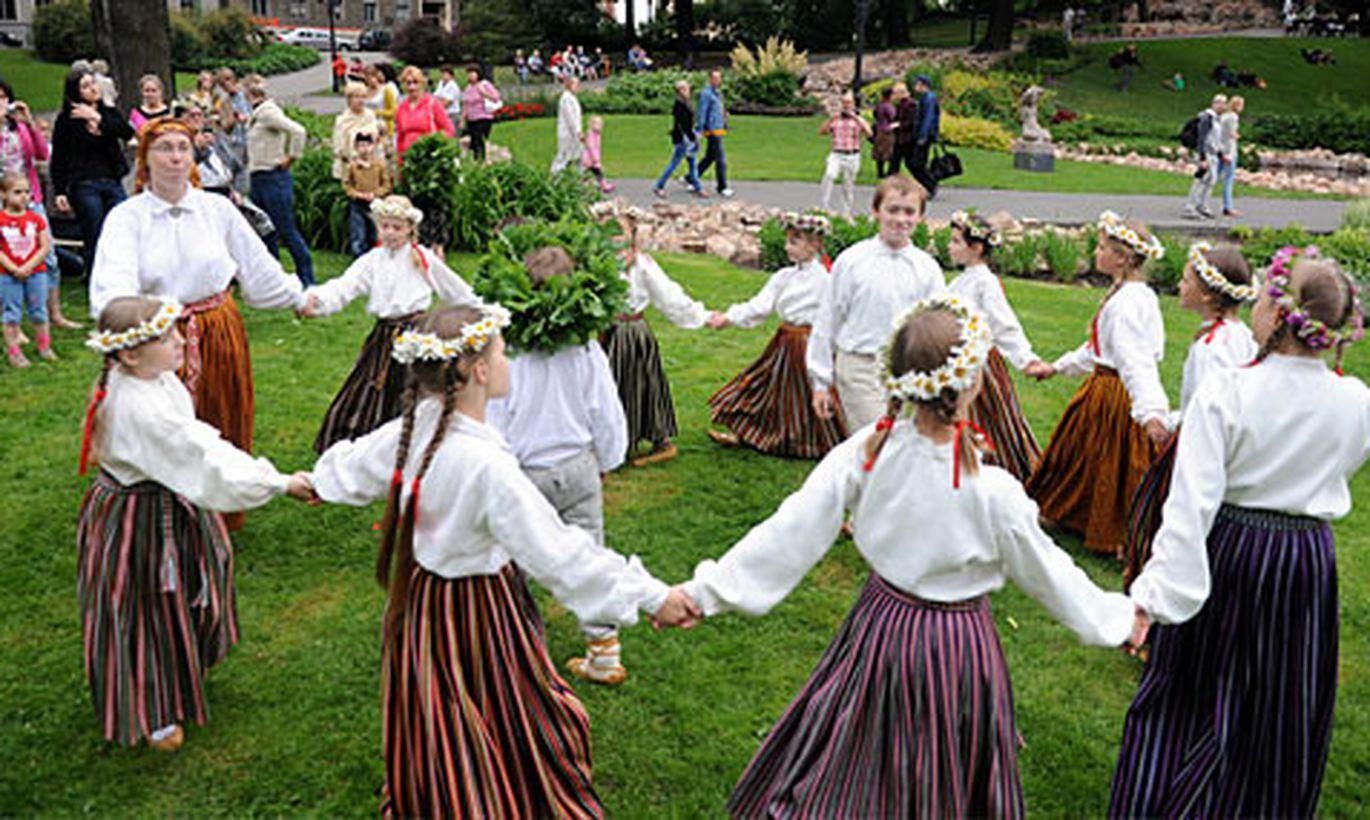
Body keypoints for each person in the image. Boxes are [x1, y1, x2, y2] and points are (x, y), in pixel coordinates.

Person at [669, 297, 1135, 818]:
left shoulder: (870, 448)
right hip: (958, 645)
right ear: (973, 381)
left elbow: (792, 528)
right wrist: (1118, 619)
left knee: (864, 757)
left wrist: (702, 593)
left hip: (880, 626)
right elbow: (1049, 574)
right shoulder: (993, 491)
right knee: (942, 771)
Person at [308, 304, 692, 815]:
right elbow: (562, 555)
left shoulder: (420, 424)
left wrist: (309, 482)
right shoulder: (486, 465)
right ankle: (482, 794)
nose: (509, 361)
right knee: (512, 703)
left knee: (443, 705)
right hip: (478, 606)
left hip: (422, 601)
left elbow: (354, 466)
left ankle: (443, 787)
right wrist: (655, 597)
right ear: (480, 371)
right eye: (502, 352)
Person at [1114, 249, 1368, 817]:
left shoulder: (1228, 391)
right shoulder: (1356, 400)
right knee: (1278, 702)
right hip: (1304, 562)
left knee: (1191, 694)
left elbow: (1189, 509)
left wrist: (1151, 601)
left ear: (1278, 317)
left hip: (1230, 551)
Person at [76, 296, 314, 750]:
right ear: (129, 354)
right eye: (166, 337)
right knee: (143, 605)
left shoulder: (154, 378)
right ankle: (152, 709)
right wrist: (279, 483)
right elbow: (202, 457)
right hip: (137, 519)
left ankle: (181, 666)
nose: (181, 340)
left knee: (192, 583)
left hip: (169, 497)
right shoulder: (139, 408)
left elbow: (197, 444)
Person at [91, 118, 308, 530]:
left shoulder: (216, 208)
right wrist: (134, 337)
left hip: (217, 328)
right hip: (156, 337)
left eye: (182, 148)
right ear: (144, 159)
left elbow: (257, 267)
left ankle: (219, 512)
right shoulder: (127, 218)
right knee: (161, 421)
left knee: (221, 413)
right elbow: (111, 288)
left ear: (193, 156)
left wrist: (299, 297)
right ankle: (163, 510)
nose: (174, 157)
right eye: (164, 148)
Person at [486, 246, 635, 685]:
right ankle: (604, 649)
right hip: (579, 468)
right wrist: (609, 459)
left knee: (512, 560)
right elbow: (605, 410)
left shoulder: (506, 354)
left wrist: (497, 471)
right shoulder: (586, 350)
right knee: (590, 556)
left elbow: (496, 416)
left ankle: (514, 649)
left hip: (526, 474)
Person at [1025, 211, 1168, 556]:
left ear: (1122, 258)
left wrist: (1150, 410)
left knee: (1115, 462)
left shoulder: (1128, 306)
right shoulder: (1132, 294)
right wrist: (1056, 367)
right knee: (1082, 456)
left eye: (1102, 248)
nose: (1095, 253)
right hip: (1103, 387)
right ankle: (1073, 514)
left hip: (1116, 394)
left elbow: (1135, 362)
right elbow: (1098, 348)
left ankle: (1118, 533)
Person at [301, 194, 482, 452]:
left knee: (417, 390)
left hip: (417, 334)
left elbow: (453, 288)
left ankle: (417, 444)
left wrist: (481, 310)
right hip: (384, 336)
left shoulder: (422, 258)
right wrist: (316, 301)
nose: (390, 233)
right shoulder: (372, 261)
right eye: (385, 226)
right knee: (369, 387)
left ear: (410, 229)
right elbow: (345, 286)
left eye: (397, 227)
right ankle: (366, 446)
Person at [1122, 242, 1257, 587]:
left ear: (1209, 296)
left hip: (1200, 442)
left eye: (1186, 281)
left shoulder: (1215, 349)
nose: (1180, 287)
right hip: (1218, 440)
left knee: (1171, 508)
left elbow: (1208, 405)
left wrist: (1167, 423)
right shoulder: (1239, 336)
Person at [807, 175, 944, 431]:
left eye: (909, 212)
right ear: (876, 212)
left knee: (903, 446)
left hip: (908, 371)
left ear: (920, 218)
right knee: (876, 439)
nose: (900, 219)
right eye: (892, 210)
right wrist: (820, 382)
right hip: (860, 366)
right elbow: (828, 319)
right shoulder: (852, 261)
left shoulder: (927, 268)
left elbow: (935, 326)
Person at [705, 212, 847, 458]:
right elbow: (760, 306)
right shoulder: (784, 277)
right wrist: (729, 317)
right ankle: (748, 432)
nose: (787, 247)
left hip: (808, 344)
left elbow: (834, 319)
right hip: (784, 341)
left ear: (814, 245)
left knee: (805, 392)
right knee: (764, 384)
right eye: (788, 241)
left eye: (794, 241)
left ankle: (815, 443)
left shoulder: (826, 281)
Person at [595, 203, 709, 466]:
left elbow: (668, 295)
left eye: (619, 231)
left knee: (642, 385)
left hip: (633, 334)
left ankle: (660, 441)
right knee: (607, 387)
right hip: (608, 333)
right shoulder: (597, 262)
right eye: (607, 231)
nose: (612, 236)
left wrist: (699, 316)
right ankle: (612, 442)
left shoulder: (641, 265)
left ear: (632, 235)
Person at [945, 211, 1049, 483]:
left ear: (977, 248)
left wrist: (1026, 359)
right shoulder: (962, 279)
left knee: (991, 422)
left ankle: (1004, 473)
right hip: (957, 364)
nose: (949, 246)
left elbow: (1004, 325)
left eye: (956, 242)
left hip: (980, 368)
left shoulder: (984, 282)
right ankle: (961, 472)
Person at [0, 79, 77, 329]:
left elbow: (43, 154)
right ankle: (12, 321)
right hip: (3, 202)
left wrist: (29, 123)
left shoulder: (19, 128)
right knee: (7, 261)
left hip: (30, 199)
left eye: (3, 97)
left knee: (49, 257)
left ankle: (52, 313)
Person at [49, 68, 133, 280]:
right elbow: (59, 156)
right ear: (75, 92)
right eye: (85, 86)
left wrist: (98, 118)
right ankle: (95, 274)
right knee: (93, 227)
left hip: (111, 179)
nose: (93, 89)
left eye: (93, 84)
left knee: (120, 223)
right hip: (84, 182)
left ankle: (120, 272)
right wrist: (60, 190)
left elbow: (126, 131)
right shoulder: (67, 119)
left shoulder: (107, 111)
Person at [245, 74, 314, 287]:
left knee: (285, 228)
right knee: (265, 229)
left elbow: (298, 131)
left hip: (273, 176)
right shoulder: (258, 113)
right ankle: (271, 276)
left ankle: (307, 278)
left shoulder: (267, 112)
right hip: (258, 177)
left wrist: (291, 157)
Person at [0, 173, 55, 366]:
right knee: (11, 313)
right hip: (7, 275)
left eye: (27, 192)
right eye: (17, 192)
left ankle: (44, 346)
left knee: (39, 311)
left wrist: (29, 266)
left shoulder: (36, 219)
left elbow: (45, 246)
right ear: (3, 194)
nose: (24, 196)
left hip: (36, 273)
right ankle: (14, 351)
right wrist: (14, 268)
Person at [818, 91, 872, 219]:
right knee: (829, 175)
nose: (846, 105)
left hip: (852, 155)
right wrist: (831, 118)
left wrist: (855, 117)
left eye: (849, 103)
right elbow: (822, 131)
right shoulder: (836, 119)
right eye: (844, 103)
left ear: (853, 104)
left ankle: (846, 212)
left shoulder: (858, 120)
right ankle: (824, 206)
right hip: (836, 153)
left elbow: (869, 133)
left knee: (848, 185)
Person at [652, 79, 705, 199]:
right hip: (683, 139)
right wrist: (693, 138)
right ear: (680, 91)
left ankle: (698, 188)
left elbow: (691, 121)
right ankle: (659, 186)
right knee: (674, 163)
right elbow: (684, 125)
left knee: (692, 164)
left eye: (688, 88)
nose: (689, 90)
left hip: (688, 137)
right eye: (686, 88)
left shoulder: (687, 103)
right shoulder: (679, 105)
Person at [341, 132, 391, 257]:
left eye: (367, 145)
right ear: (356, 148)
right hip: (357, 203)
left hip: (376, 203)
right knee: (358, 234)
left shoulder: (379, 165)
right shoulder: (353, 167)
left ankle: (376, 258)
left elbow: (386, 184)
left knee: (374, 233)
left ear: (373, 146)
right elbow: (347, 185)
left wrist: (376, 194)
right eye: (360, 146)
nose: (364, 149)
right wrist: (357, 194)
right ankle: (359, 258)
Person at [392, 65, 455, 164]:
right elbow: (400, 137)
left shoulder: (432, 104)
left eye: (415, 82)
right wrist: (400, 161)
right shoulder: (401, 108)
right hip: (409, 158)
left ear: (422, 83)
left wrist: (435, 142)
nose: (412, 87)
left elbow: (449, 130)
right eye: (408, 83)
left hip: (429, 157)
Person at [1182, 94, 1226, 220]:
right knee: (1201, 179)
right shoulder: (1207, 118)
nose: (1223, 106)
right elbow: (1202, 138)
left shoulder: (1217, 119)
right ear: (1214, 103)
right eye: (1220, 103)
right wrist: (1202, 158)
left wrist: (1220, 153)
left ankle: (1202, 205)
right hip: (1205, 153)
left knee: (1211, 180)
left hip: (1212, 154)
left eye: (1224, 103)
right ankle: (1190, 208)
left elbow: (1215, 139)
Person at [330, 81, 383, 180]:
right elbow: (338, 147)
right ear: (349, 99)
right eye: (357, 97)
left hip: (371, 166)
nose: (360, 100)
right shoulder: (342, 120)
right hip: (350, 167)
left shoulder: (370, 116)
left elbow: (377, 141)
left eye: (363, 97)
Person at [695, 70, 733, 198]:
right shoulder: (706, 94)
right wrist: (700, 130)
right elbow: (702, 113)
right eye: (715, 78)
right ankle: (722, 187)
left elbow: (718, 110)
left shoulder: (718, 93)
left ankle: (691, 177)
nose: (718, 80)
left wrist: (725, 119)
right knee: (721, 160)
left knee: (710, 157)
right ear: (710, 79)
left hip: (719, 129)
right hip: (712, 130)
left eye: (719, 78)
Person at [909, 75, 941, 198]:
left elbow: (928, 118)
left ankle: (930, 185)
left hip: (925, 136)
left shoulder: (929, 98)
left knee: (917, 163)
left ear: (923, 85)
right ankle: (926, 185)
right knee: (917, 162)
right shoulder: (925, 98)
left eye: (917, 84)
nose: (915, 86)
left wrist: (923, 136)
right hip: (922, 134)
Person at [461, 65, 501, 162]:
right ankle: (477, 158)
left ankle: (481, 158)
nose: (471, 76)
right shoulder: (468, 88)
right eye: (469, 74)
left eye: (473, 73)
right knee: (474, 140)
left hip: (483, 116)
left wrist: (484, 93)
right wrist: (463, 119)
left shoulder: (484, 84)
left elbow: (496, 97)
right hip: (471, 118)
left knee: (479, 138)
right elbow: (466, 104)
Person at [550, 74, 583, 175]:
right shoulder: (566, 98)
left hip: (573, 132)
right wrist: (578, 131)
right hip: (568, 132)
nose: (578, 87)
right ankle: (555, 174)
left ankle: (579, 176)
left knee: (577, 154)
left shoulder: (571, 97)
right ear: (569, 85)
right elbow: (570, 117)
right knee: (564, 155)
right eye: (575, 84)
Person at [1217, 95, 1244, 218]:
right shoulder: (1233, 117)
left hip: (1221, 150)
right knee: (1229, 179)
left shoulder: (1223, 116)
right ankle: (1228, 207)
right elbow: (1231, 135)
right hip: (1229, 152)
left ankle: (1200, 202)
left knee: (1213, 178)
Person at [363, 64, 399, 140]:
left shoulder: (386, 90)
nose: (370, 79)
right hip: (366, 126)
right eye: (367, 76)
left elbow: (394, 112)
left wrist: (375, 113)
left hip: (383, 127)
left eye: (372, 76)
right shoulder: (362, 91)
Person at [582, 115, 614, 193]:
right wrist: (594, 158)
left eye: (601, 124)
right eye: (597, 124)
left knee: (589, 173)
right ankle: (604, 186)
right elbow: (591, 146)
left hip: (591, 158)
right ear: (591, 125)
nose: (600, 126)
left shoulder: (596, 134)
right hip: (591, 158)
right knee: (598, 172)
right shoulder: (591, 134)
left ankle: (584, 185)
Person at [872, 86, 898, 179]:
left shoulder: (879, 105)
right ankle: (889, 172)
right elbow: (893, 117)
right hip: (887, 130)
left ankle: (880, 172)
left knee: (880, 151)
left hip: (879, 129)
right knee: (888, 151)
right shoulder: (888, 106)